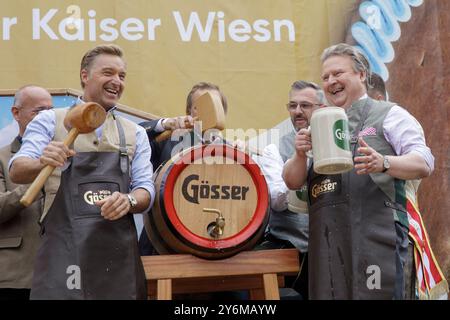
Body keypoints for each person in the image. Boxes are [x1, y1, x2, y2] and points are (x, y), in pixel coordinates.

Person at [283, 43, 437, 300]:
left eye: (338, 73)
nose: (331, 81)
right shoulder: (318, 123)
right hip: (327, 244)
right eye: (325, 77)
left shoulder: (389, 114)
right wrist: (299, 154)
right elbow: (292, 181)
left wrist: (384, 162)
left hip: (376, 237)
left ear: (361, 74)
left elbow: (425, 162)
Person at [9, 44, 154, 300]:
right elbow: (17, 170)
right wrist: (43, 162)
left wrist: (129, 200)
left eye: (122, 76)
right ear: (85, 76)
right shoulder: (49, 121)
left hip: (116, 261)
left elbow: (146, 190)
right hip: (62, 255)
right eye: (108, 72)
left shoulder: (136, 133)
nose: (116, 81)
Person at [138, 82, 228, 256]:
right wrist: (164, 124)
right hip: (161, 242)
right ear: (188, 112)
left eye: (215, 105)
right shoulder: (166, 139)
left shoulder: (232, 153)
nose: (208, 110)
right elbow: (131, 135)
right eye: (199, 106)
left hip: (210, 244)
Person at [254, 80, 325, 300]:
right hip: (286, 246)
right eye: (292, 106)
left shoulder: (336, 145)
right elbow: (275, 199)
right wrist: (296, 170)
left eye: (305, 105)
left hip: (327, 249)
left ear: (321, 109)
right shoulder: (274, 148)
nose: (297, 111)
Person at [0, 86, 53, 300]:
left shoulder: (69, 155)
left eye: (51, 112)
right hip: (15, 277)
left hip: (62, 276)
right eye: (39, 112)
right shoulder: (2, 158)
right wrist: (37, 181)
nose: (46, 118)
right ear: (16, 113)